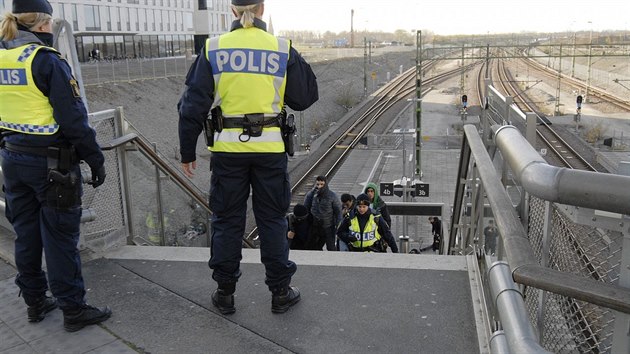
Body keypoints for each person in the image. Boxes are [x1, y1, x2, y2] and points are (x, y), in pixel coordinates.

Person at [178, 0, 318, 315]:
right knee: (272, 220)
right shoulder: (281, 48)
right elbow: (305, 96)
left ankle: (225, 294)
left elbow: (191, 105)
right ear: (263, 9)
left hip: (228, 152)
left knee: (227, 221)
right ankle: (280, 293)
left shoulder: (214, 49)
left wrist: (188, 152)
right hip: (269, 151)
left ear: (231, 10)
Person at [0, 0, 111, 332]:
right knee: (60, 238)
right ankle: (73, 310)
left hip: (12, 159)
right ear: (44, 24)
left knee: (27, 234)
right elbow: (74, 120)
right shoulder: (46, 61)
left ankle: (35, 302)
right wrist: (95, 158)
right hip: (52, 166)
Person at [304, 175, 342, 251]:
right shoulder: (311, 195)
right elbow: (306, 209)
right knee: (312, 246)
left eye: (322, 184)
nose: (319, 186)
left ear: (325, 184)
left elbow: (338, 212)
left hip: (328, 226)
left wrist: (338, 226)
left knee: (331, 247)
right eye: (317, 184)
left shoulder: (332, 196)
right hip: (315, 225)